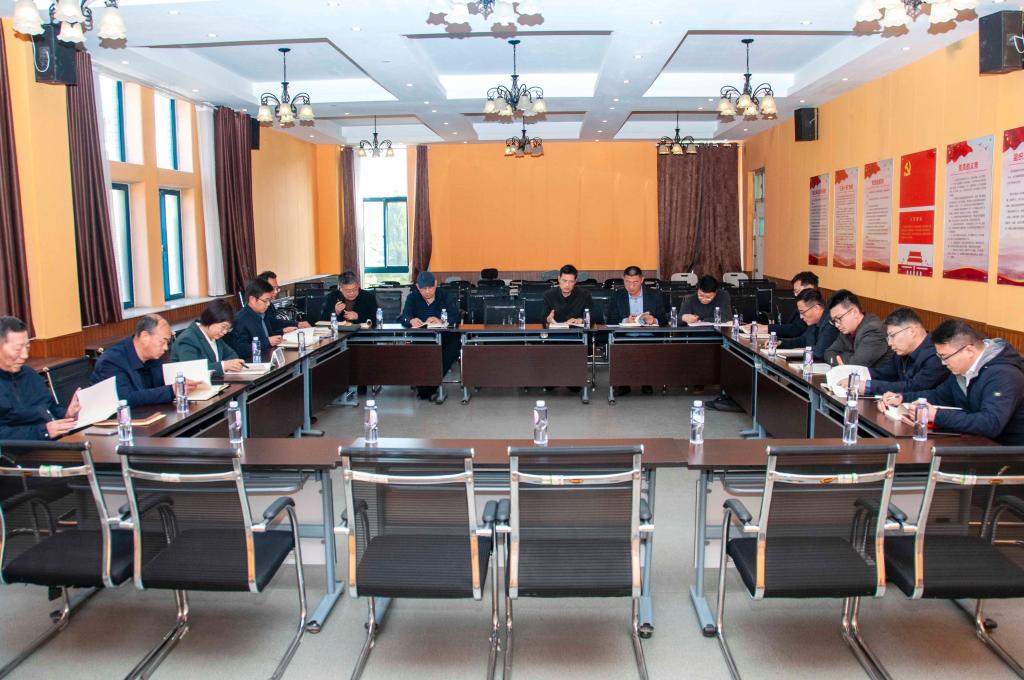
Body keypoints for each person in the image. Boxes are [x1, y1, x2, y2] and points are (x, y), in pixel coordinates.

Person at [879, 320, 1024, 444]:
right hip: (973, 442)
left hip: (1007, 452)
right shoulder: (963, 369)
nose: (943, 363)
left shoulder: (1004, 375)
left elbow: (990, 423)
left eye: (945, 357)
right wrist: (902, 398)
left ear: (969, 351)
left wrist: (936, 415)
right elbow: (939, 395)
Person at [90, 315, 199, 407]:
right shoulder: (112, 361)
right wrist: (171, 390)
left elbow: (158, 387)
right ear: (145, 336)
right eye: (163, 341)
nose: (166, 348)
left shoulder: (152, 356)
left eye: (167, 343)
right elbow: (125, 398)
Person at [0, 316, 80, 440]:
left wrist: (67, 414)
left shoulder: (29, 374)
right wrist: (44, 432)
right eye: (17, 349)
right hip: (22, 450)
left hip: (53, 442)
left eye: (27, 347)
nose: (25, 355)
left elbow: (50, 408)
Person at [855, 308, 948, 396]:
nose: (890, 343)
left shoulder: (937, 355)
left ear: (912, 331)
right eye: (888, 337)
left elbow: (913, 387)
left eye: (892, 336)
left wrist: (869, 386)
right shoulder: (903, 350)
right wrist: (855, 374)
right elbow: (885, 373)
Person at [399, 271, 461, 400]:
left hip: (444, 337)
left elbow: (456, 318)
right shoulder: (412, 297)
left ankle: (431, 383)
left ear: (436, 284)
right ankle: (427, 386)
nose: (427, 291)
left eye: (430, 288)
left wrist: (441, 321)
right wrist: (411, 320)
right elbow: (404, 317)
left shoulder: (445, 296)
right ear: (418, 287)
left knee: (455, 344)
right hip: (422, 337)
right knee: (420, 352)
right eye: (423, 289)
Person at [610, 266, 666, 396]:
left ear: (642, 280)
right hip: (624, 336)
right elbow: (610, 318)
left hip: (649, 335)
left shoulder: (654, 295)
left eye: (635, 282)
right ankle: (623, 384)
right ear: (623, 280)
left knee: (648, 346)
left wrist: (654, 320)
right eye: (627, 282)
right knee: (621, 347)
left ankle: (647, 382)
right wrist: (625, 321)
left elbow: (664, 319)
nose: (631, 286)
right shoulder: (617, 295)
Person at [169, 299, 245, 378]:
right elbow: (192, 370)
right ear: (211, 318)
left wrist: (230, 364)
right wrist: (224, 365)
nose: (225, 332)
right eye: (223, 327)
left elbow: (232, 355)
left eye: (228, 329)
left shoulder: (215, 336)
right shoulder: (187, 339)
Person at [824, 289, 893, 369]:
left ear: (855, 312)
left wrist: (846, 357)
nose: (836, 324)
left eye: (838, 318)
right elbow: (828, 353)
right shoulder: (847, 330)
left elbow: (855, 365)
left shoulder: (874, 330)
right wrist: (851, 357)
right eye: (834, 320)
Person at [226, 278, 283, 362]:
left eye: (269, 300)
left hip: (268, 358)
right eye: (265, 301)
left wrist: (280, 335)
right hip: (252, 363)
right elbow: (241, 350)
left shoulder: (262, 313)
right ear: (252, 299)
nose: (268, 304)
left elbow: (266, 335)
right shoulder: (241, 320)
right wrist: (267, 342)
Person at [776, 288, 839, 360]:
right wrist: (781, 342)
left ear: (816, 308)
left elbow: (819, 352)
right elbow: (803, 340)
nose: (801, 317)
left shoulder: (831, 323)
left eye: (803, 312)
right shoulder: (814, 321)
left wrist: (800, 350)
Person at [769, 271, 819, 338]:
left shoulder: (814, 307)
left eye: (797, 291)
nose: (795, 295)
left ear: (809, 288)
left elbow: (796, 329)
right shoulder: (801, 304)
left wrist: (767, 328)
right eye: (794, 291)